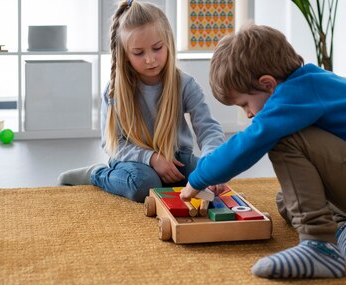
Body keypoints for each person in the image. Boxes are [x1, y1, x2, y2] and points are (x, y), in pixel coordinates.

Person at [180, 24, 346, 280]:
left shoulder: (297, 93)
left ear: (268, 84)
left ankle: (319, 245)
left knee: (283, 138)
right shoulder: (310, 85)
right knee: (288, 201)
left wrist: (198, 177)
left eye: (246, 103)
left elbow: (248, 143)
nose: (248, 113)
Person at [58, 0, 225, 202]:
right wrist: (152, 158)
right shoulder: (115, 91)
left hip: (175, 158)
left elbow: (208, 128)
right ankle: (96, 174)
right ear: (126, 55)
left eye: (157, 48)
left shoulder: (185, 84)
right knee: (144, 185)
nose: (150, 59)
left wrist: (212, 164)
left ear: (168, 43)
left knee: (205, 178)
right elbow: (113, 145)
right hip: (132, 160)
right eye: (139, 53)